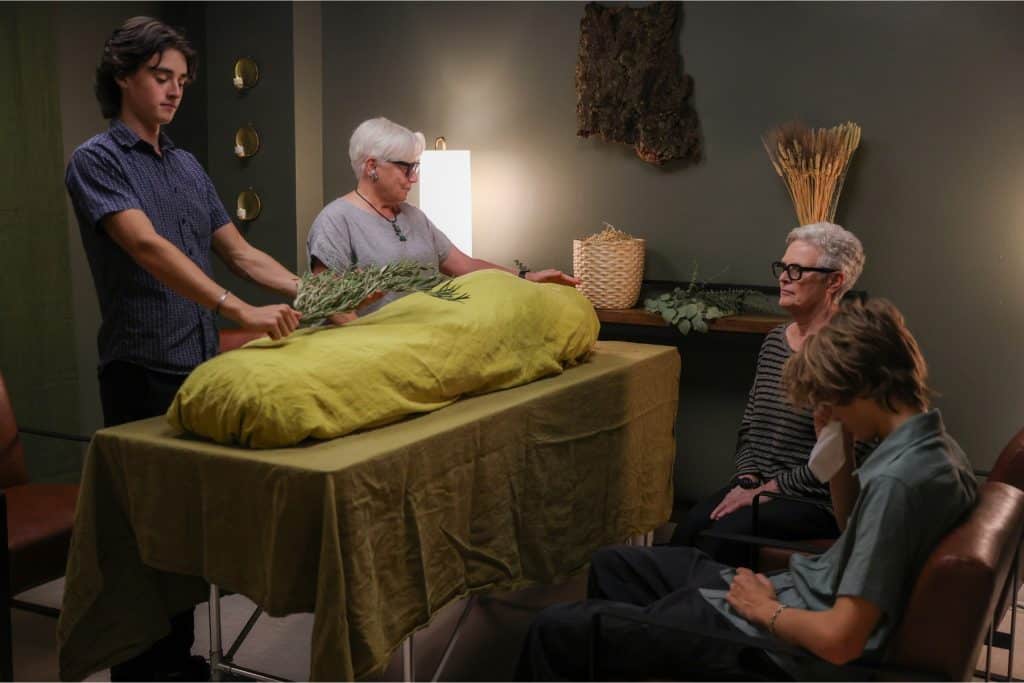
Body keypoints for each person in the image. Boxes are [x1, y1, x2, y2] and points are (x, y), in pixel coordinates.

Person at [517, 298, 978, 680]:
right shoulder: (936, 450)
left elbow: (841, 641)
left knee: (556, 627)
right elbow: (852, 529)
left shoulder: (898, 482)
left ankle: (646, 643)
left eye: (826, 400)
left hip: (770, 642)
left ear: (856, 387)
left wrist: (763, 609)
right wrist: (835, 456)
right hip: (789, 593)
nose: (825, 411)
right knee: (615, 563)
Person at [64, 16, 303, 680]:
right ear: (123, 77)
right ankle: (145, 670)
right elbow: (147, 247)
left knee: (189, 535)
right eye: (159, 77)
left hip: (199, 373)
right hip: (141, 372)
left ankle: (185, 662)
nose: (174, 91)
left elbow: (241, 252)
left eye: (181, 80)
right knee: (148, 545)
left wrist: (313, 292)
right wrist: (235, 308)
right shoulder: (97, 160)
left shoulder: (190, 165)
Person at [670, 222, 868, 565]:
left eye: (796, 270)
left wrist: (770, 490)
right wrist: (747, 480)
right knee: (690, 525)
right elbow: (751, 426)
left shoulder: (851, 351)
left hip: (817, 499)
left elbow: (850, 454)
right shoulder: (775, 340)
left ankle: (703, 613)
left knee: (723, 535)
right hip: (760, 486)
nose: (783, 277)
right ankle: (657, 615)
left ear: (834, 281)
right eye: (782, 267)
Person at [307, 117, 579, 323]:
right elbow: (331, 304)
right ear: (371, 167)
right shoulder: (335, 221)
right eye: (406, 168)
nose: (414, 178)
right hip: (374, 346)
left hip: (427, 337)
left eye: (416, 167)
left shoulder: (414, 216)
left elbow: (465, 265)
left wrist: (526, 277)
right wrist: (375, 347)